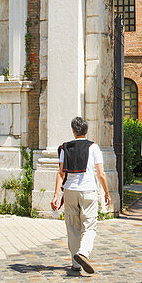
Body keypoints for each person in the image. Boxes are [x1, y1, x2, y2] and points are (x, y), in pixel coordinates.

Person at [51, 116, 112, 274]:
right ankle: (83, 253)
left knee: (72, 227)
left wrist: (56, 195)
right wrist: (106, 192)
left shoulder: (65, 147)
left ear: (73, 131)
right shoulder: (93, 147)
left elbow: (61, 173)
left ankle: (75, 263)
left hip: (70, 191)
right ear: (86, 131)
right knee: (89, 226)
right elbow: (101, 173)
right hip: (88, 191)